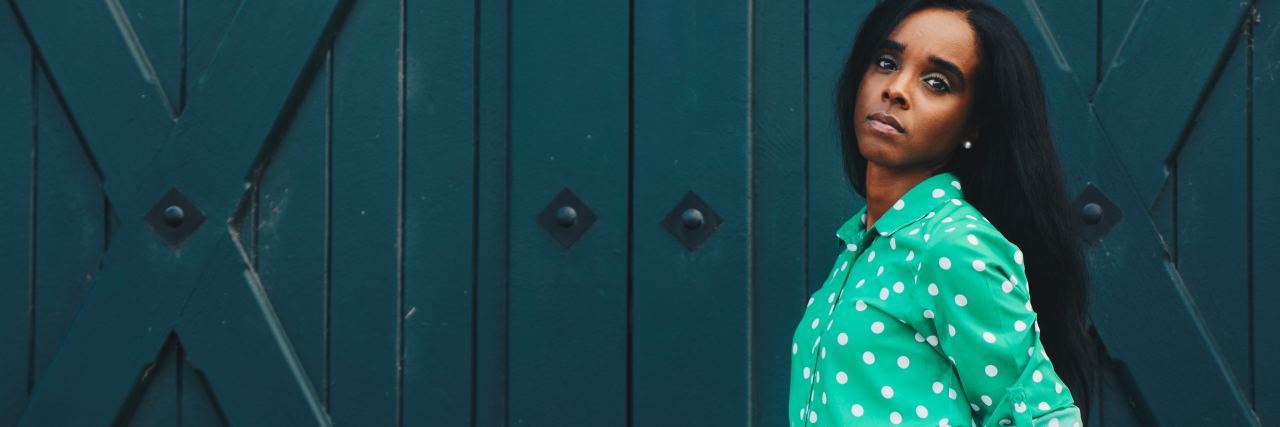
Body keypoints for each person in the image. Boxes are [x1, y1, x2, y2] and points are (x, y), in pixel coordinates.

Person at [788, 1, 1100, 425]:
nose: (896, 89)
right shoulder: (863, 246)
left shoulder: (950, 245)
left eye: (937, 82)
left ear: (974, 124)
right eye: (885, 62)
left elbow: (1043, 417)